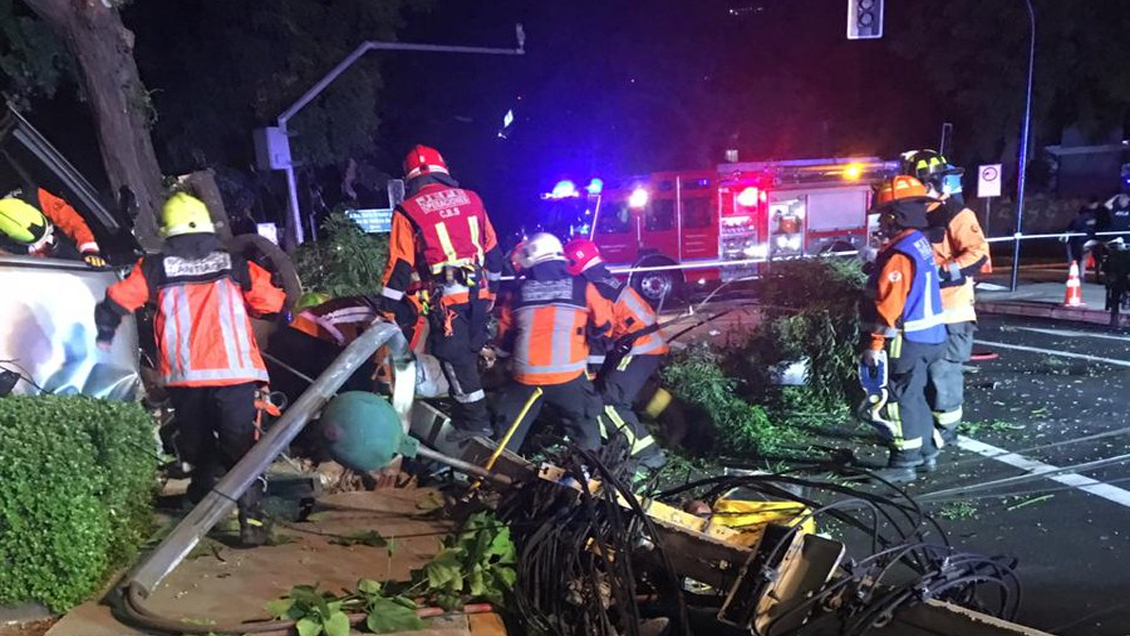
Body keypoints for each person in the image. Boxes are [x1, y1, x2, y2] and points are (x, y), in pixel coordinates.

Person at [94, 193, 286, 547]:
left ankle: (201, 497)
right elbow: (272, 301)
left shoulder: (154, 268)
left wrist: (105, 334)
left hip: (187, 377)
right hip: (235, 374)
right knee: (241, 447)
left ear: (168, 231)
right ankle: (252, 519)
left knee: (197, 445)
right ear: (208, 227)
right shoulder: (235, 263)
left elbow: (116, 301)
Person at [379, 145, 504, 442]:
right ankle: (470, 414)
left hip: (448, 301)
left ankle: (476, 425)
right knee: (467, 355)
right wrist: (493, 292)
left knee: (454, 358)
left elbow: (400, 266)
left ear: (409, 179)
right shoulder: (472, 199)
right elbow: (494, 254)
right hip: (478, 294)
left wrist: (386, 311)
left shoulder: (407, 211)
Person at [491, 233, 616, 456]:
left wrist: (500, 362)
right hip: (568, 378)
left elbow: (505, 336)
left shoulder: (517, 291)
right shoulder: (581, 286)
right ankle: (589, 474)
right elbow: (605, 324)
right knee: (585, 431)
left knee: (506, 438)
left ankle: (496, 477)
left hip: (525, 378)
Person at [900, 150, 990, 448]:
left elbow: (978, 255)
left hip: (951, 312)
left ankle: (946, 431)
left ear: (929, 183)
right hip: (921, 314)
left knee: (944, 372)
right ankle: (927, 429)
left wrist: (936, 273)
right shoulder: (915, 215)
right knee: (920, 373)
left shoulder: (957, 213)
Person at [860, 175, 947, 482]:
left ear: (896, 215)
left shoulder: (899, 255)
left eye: (884, 216)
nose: (882, 223)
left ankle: (903, 462)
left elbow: (889, 304)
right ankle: (925, 454)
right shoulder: (919, 244)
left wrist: (874, 344)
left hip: (905, 339)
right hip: (931, 338)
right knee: (916, 397)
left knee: (897, 399)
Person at [564, 238, 667, 474]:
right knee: (613, 394)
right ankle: (621, 444)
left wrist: (591, 372)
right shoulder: (603, 279)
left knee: (609, 400)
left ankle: (648, 457)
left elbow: (600, 335)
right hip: (643, 345)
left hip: (639, 347)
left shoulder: (595, 287)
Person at [0, 188, 106, 266]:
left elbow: (70, 219)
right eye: (37, 244)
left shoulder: (37, 198)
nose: (48, 242)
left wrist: (89, 250)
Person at [1061, 197, 1099, 280]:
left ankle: (1078, 275)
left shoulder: (1078, 219)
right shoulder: (1085, 219)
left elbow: (1071, 229)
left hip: (1079, 240)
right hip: (1082, 240)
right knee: (1081, 258)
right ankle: (1080, 275)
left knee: (1077, 259)